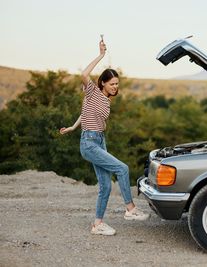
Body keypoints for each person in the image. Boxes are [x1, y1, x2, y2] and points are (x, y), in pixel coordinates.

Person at [60, 38, 149, 236]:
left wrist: (73, 127)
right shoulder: (92, 91)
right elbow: (84, 74)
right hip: (90, 144)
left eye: (117, 84)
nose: (115, 87)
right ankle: (130, 209)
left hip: (99, 141)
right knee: (123, 169)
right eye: (112, 84)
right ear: (103, 83)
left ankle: (97, 224)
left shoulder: (106, 101)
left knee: (106, 186)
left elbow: (86, 114)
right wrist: (101, 55)